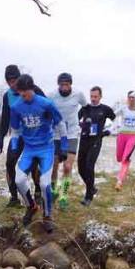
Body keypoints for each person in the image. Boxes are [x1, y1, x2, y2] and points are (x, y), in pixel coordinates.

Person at [9, 74, 67, 233]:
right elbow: (15, 129)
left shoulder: (46, 104)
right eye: (21, 94)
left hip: (46, 148)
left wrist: (63, 145)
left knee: (44, 183)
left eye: (26, 93)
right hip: (29, 148)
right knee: (19, 180)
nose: (23, 97)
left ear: (32, 89)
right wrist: (14, 145)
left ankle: (48, 215)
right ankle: (31, 206)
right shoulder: (16, 107)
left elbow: (60, 123)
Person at [0, 65, 46, 207]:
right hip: (17, 135)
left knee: (35, 163)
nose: (12, 84)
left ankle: (37, 193)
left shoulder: (34, 89)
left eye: (14, 80)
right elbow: (5, 119)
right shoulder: (7, 96)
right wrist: (0, 139)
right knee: (9, 163)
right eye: (9, 81)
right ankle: (14, 197)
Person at [49, 72, 87, 210]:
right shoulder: (51, 95)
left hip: (71, 134)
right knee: (53, 166)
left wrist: (81, 121)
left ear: (71, 84)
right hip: (56, 135)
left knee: (67, 167)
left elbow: (86, 107)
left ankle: (64, 195)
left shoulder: (78, 94)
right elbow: (45, 110)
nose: (64, 87)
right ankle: (54, 191)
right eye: (62, 85)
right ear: (58, 85)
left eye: (67, 84)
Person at [77, 86, 116, 206]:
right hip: (84, 139)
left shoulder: (105, 109)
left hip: (96, 140)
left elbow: (116, 121)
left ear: (100, 96)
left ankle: (88, 196)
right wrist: (79, 127)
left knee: (89, 166)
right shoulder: (85, 108)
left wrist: (109, 131)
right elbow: (75, 120)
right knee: (81, 168)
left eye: (95, 96)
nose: (93, 99)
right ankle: (92, 187)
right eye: (91, 96)